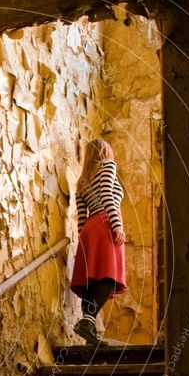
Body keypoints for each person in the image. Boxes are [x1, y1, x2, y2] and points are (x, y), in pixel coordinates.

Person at [70, 138, 126, 346]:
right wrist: (116, 225)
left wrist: (83, 243)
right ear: (106, 152)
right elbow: (106, 195)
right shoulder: (108, 166)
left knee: (93, 281)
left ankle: (88, 326)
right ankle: (88, 322)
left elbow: (82, 217)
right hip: (105, 224)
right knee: (109, 277)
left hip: (89, 230)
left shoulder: (83, 180)